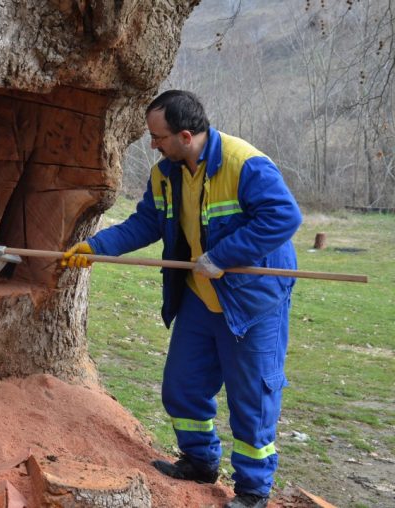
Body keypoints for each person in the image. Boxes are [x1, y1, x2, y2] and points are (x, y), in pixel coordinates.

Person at [62, 90, 301, 508]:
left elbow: (284, 217)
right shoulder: (165, 174)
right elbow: (144, 224)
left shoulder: (246, 164)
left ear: (185, 135)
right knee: (182, 387)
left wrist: (222, 256)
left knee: (252, 399)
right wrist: (97, 246)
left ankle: (252, 491)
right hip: (197, 297)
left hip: (251, 302)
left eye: (158, 137)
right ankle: (199, 461)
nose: (153, 144)